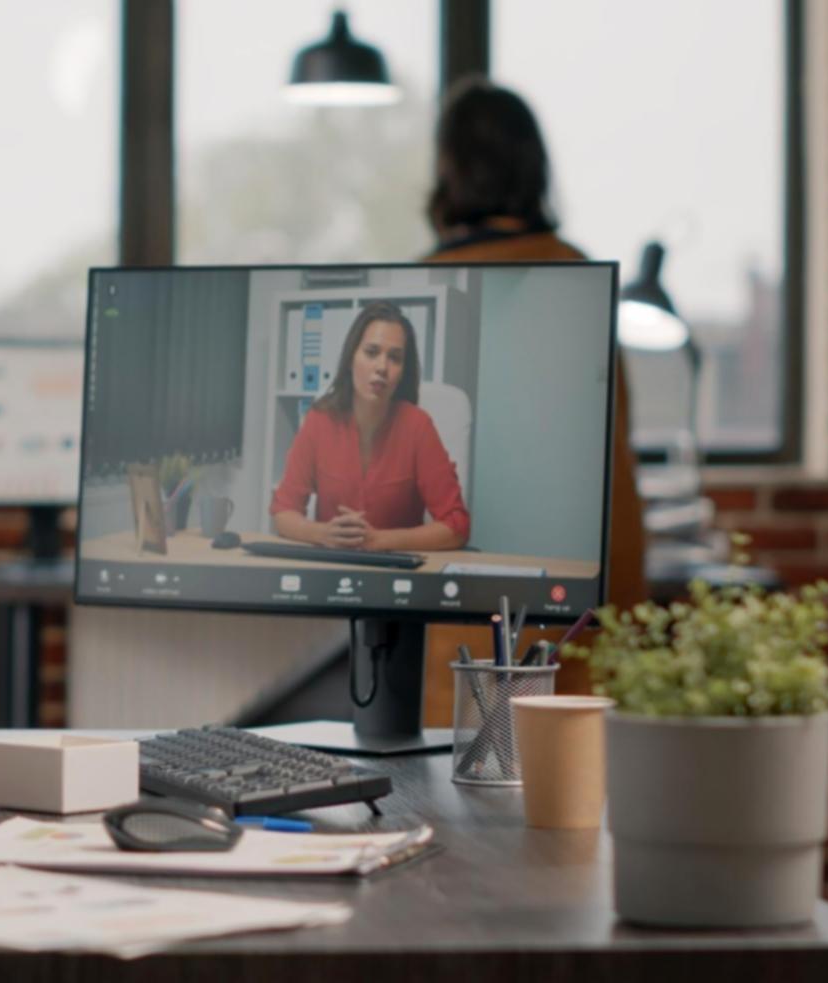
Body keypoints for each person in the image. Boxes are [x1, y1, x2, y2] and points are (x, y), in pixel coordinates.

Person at [417, 77, 649, 717]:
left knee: (456, 776)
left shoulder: (423, 284)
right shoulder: (577, 275)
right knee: (568, 792)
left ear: (449, 169)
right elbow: (614, 473)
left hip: (453, 612)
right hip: (574, 605)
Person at [271, 301, 470, 552]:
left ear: (403, 371)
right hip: (332, 566)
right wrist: (322, 533)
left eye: (395, 358)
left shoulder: (418, 427)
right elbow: (283, 511)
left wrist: (379, 540)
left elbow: (457, 526)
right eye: (371, 352)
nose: (382, 368)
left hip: (397, 574)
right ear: (351, 357)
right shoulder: (319, 420)